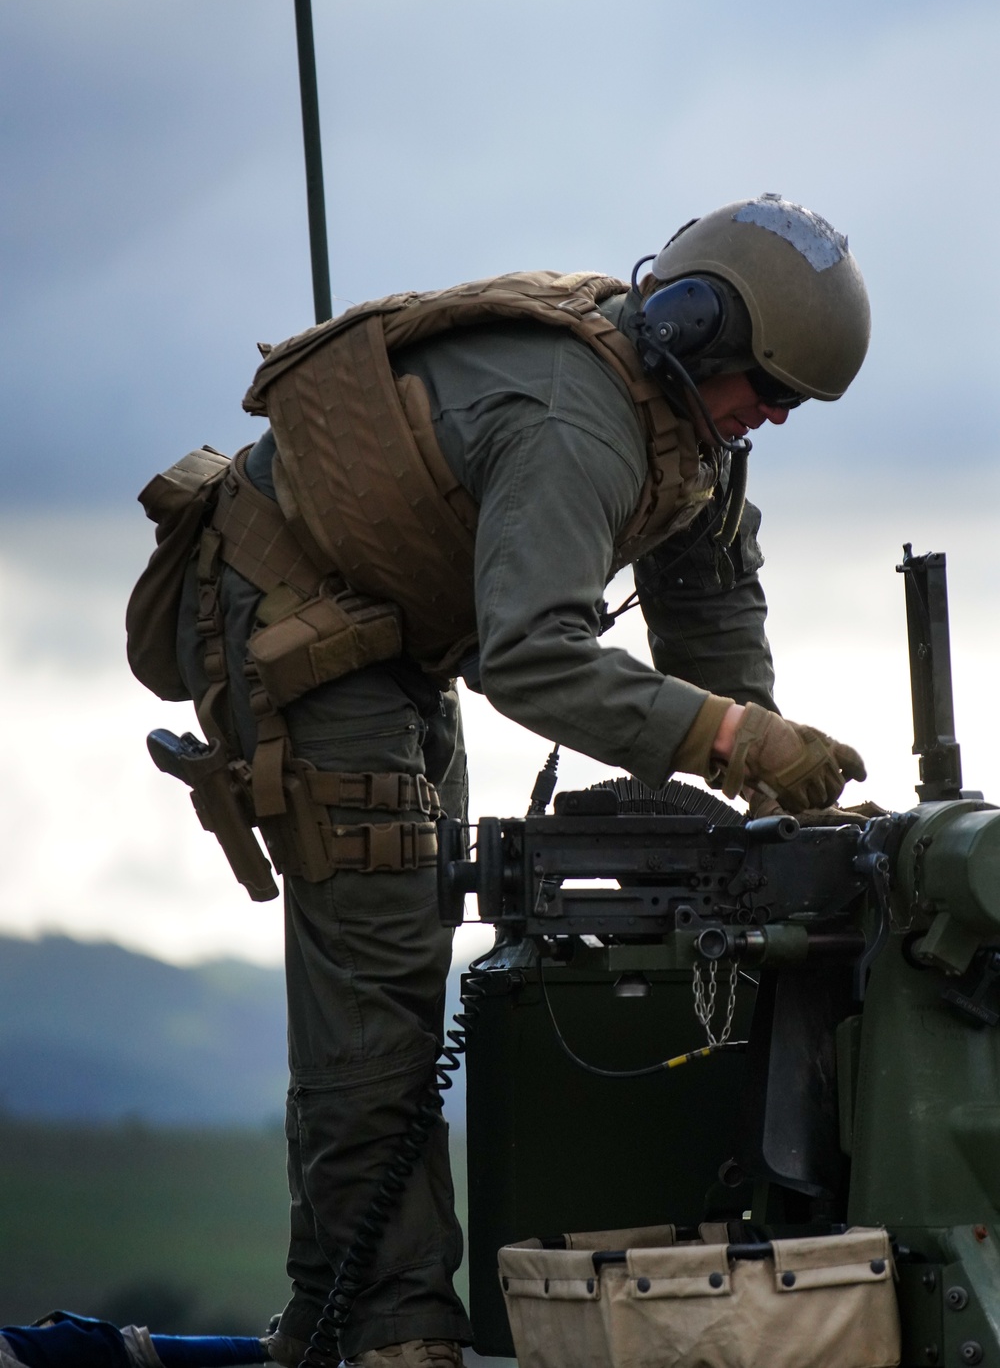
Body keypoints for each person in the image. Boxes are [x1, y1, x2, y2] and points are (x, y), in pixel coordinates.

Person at [133, 194, 870, 1368]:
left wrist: (779, 771)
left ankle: (329, 1316)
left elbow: (711, 607)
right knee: (379, 976)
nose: (770, 419)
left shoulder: (685, 425)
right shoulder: (574, 425)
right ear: (697, 330)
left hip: (409, 640)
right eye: (767, 391)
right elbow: (532, 658)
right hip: (297, 618)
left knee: (412, 930)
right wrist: (731, 741)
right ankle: (389, 1332)